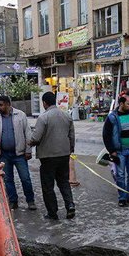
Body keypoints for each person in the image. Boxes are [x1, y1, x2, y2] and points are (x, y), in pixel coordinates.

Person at [29, 92, 75, 220]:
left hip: (48, 157)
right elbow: (71, 136)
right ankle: (70, 205)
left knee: (48, 186)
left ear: (44, 103)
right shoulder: (66, 116)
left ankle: (52, 212)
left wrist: (29, 143)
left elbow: (36, 138)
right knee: (64, 182)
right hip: (64, 155)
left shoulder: (43, 118)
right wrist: (70, 149)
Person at [0, 95, 36, 210]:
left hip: (20, 155)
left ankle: (30, 201)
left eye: (1, 105)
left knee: (25, 178)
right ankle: (13, 201)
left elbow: (28, 134)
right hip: (4, 155)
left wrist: (28, 151)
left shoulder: (20, 115)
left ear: (8, 105)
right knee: (8, 179)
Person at [102, 94, 129, 207]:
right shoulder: (112, 117)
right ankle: (122, 198)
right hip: (119, 151)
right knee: (120, 175)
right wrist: (112, 150)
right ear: (121, 104)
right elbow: (106, 135)